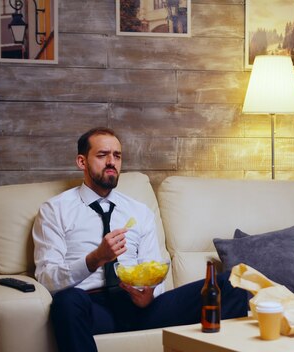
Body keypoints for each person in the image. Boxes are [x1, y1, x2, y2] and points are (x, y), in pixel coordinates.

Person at [32, 127, 248, 352]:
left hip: (139, 307)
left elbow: (152, 267)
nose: (111, 162)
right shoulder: (55, 210)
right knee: (67, 302)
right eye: (102, 155)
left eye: (117, 156)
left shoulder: (139, 211)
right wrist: (95, 259)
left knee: (233, 282)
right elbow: (47, 279)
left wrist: (149, 294)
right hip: (90, 306)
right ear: (81, 161)